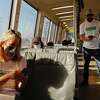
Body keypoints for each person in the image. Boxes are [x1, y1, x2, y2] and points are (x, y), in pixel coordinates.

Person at [0, 30, 27, 94]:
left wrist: (24, 81)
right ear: (2, 44)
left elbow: (18, 88)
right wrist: (8, 76)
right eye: (12, 45)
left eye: (17, 46)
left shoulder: (21, 61)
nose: (14, 49)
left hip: (12, 95)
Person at [80, 9, 100, 86]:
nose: (90, 16)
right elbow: (81, 37)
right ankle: (85, 81)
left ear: (93, 15)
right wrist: (87, 38)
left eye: (91, 15)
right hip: (86, 48)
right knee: (86, 65)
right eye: (88, 15)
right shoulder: (82, 25)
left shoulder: (98, 23)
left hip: (96, 47)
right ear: (86, 16)